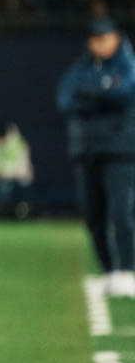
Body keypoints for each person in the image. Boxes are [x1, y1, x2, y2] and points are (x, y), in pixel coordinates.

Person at [57, 18, 135, 297]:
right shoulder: (80, 67)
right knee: (93, 215)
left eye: (104, 38)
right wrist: (104, 91)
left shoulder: (128, 65)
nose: (98, 44)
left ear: (116, 38)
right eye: (94, 39)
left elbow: (124, 93)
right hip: (86, 150)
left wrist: (90, 93)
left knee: (121, 212)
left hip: (119, 151)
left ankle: (126, 271)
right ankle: (109, 271)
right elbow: (65, 100)